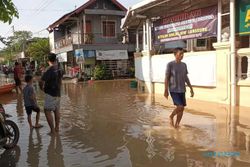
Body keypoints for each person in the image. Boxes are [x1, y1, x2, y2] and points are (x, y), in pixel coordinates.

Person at [164, 47, 194, 129]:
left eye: (182, 54)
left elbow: (185, 77)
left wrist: (191, 88)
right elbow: (166, 78)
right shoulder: (170, 64)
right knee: (180, 106)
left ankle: (177, 125)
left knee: (182, 109)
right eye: (180, 54)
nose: (182, 55)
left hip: (182, 89)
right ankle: (171, 116)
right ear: (175, 55)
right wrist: (166, 90)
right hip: (173, 89)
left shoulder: (184, 65)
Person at [39, 53, 62, 134]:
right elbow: (60, 80)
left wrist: (42, 88)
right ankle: (57, 128)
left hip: (50, 93)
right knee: (56, 110)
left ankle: (52, 130)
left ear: (48, 60)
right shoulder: (59, 68)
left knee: (47, 110)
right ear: (55, 59)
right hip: (58, 93)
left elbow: (41, 81)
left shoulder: (48, 69)